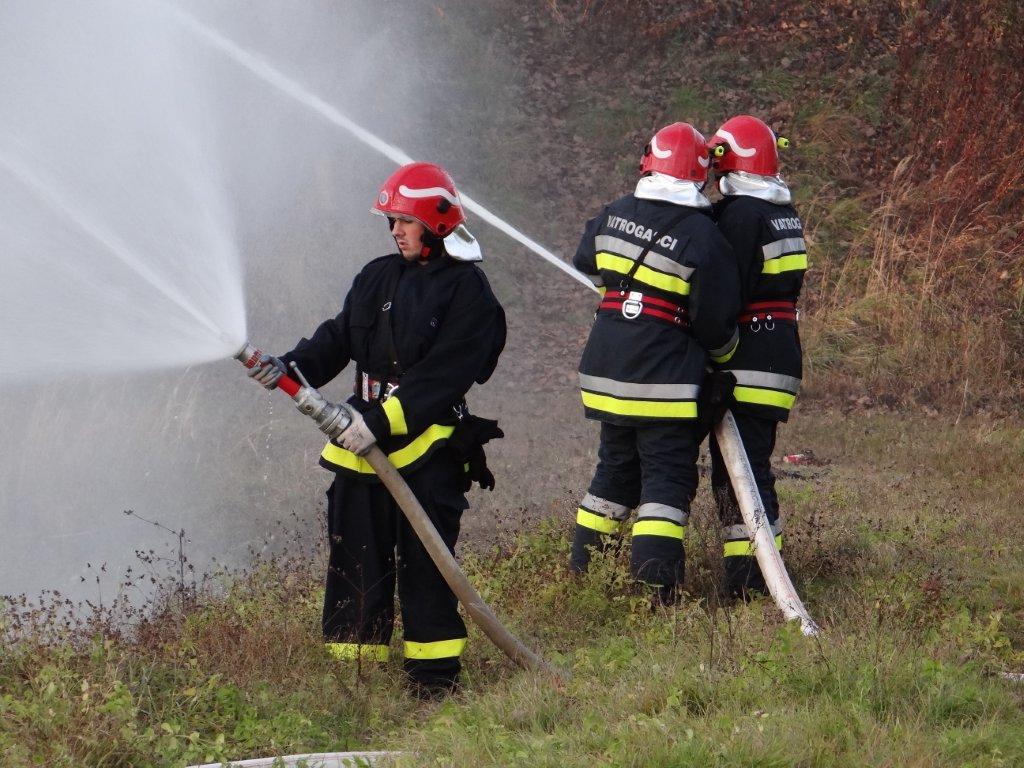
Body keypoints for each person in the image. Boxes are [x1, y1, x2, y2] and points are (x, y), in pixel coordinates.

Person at [248, 162, 506, 696]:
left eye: (406, 220)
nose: (395, 230)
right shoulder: (376, 276)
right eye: (392, 221)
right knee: (354, 562)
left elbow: (444, 376)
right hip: (358, 448)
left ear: (436, 222)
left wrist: (381, 422)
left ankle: (432, 681)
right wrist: (290, 365)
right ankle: (355, 679)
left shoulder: (467, 292)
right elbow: (339, 337)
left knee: (427, 566)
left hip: (427, 450)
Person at [569, 122, 741, 599]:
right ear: (700, 176)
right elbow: (715, 323)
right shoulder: (703, 236)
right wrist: (725, 359)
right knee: (666, 481)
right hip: (663, 383)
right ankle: (654, 593)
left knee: (612, 473)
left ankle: (583, 581)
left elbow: (586, 262)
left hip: (607, 376)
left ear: (649, 163)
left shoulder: (615, 212)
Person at [707, 115, 807, 598]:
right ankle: (765, 572)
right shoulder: (781, 211)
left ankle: (752, 583)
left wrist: (708, 340)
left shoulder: (742, 215)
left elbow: (724, 291)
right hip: (778, 352)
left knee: (740, 475)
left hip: (748, 355)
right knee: (752, 469)